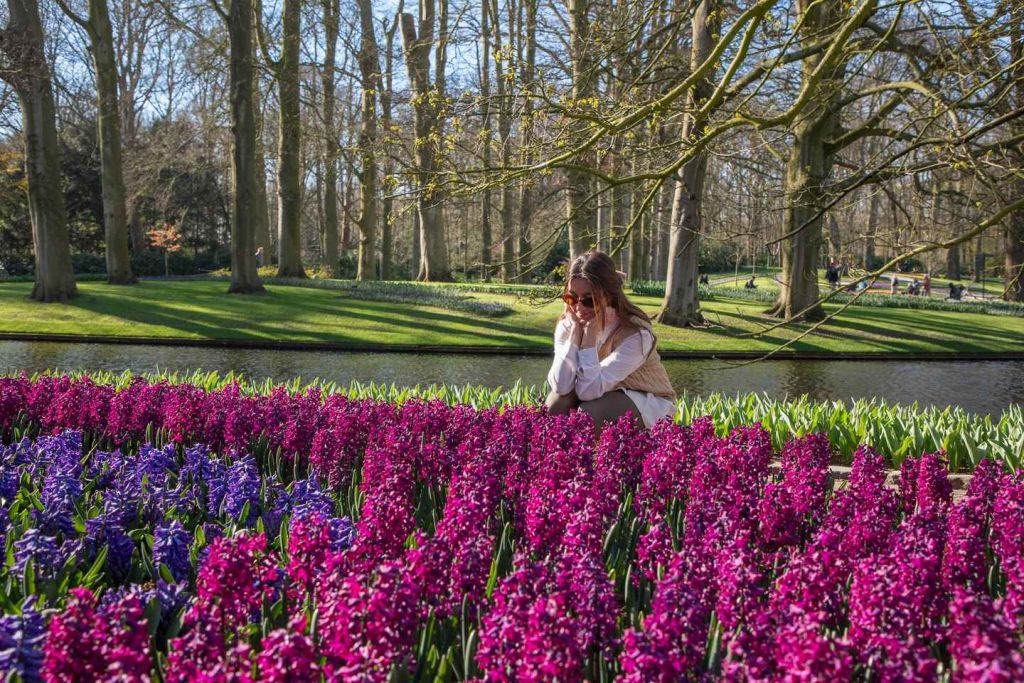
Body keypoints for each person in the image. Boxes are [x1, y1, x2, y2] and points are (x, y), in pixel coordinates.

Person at [545, 251, 677, 434]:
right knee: (554, 406)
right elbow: (561, 385)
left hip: (643, 397)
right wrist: (574, 334)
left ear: (609, 296)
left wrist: (589, 340)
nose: (578, 307)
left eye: (589, 300)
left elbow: (587, 392)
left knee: (588, 415)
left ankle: (611, 451)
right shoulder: (568, 323)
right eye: (571, 298)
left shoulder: (636, 334)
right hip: (600, 389)